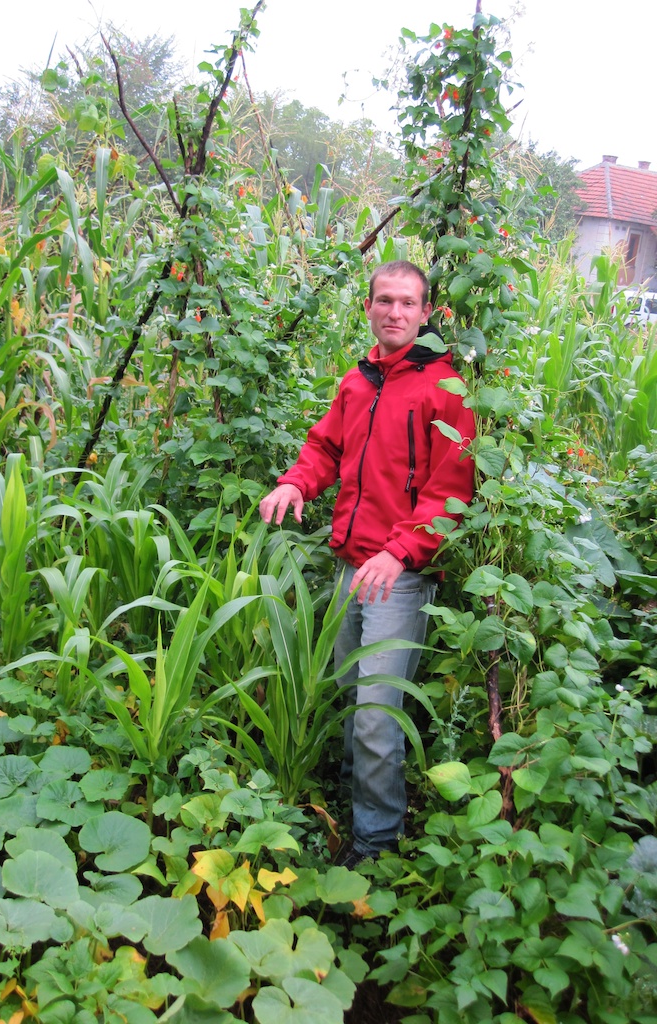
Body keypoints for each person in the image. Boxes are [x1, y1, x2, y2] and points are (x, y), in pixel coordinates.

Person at [259, 260, 475, 865]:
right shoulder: (360, 384)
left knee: (378, 717)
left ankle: (374, 851)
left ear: (427, 312)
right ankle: (354, 813)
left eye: (408, 303)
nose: (396, 313)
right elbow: (325, 446)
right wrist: (297, 485)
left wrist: (401, 550)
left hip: (399, 576)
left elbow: (451, 491)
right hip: (352, 567)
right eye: (385, 301)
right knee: (353, 698)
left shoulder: (444, 388)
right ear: (369, 308)